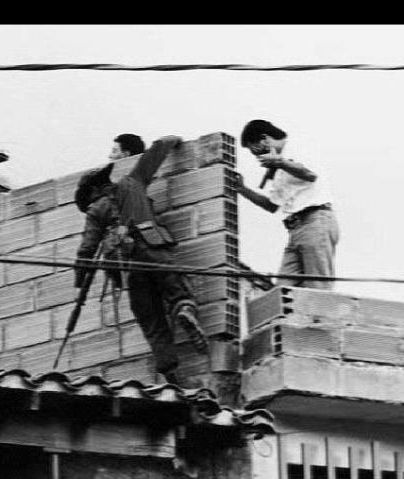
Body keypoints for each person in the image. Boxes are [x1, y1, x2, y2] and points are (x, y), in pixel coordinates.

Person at [74, 135, 208, 384]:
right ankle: (184, 310)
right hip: (153, 247)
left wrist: (79, 281)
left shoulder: (95, 210)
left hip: (125, 266)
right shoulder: (131, 182)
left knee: (150, 318)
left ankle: (170, 373)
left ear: (91, 192)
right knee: (177, 290)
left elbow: (86, 250)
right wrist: (174, 140)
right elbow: (156, 151)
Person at [232, 119, 339, 290]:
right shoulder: (278, 170)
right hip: (296, 230)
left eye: (256, 151)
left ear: (265, 139)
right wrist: (242, 189)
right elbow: (272, 205)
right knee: (282, 292)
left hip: (315, 221)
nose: (258, 157)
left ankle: (322, 316)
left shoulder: (298, 147)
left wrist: (280, 162)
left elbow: (311, 174)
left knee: (318, 288)